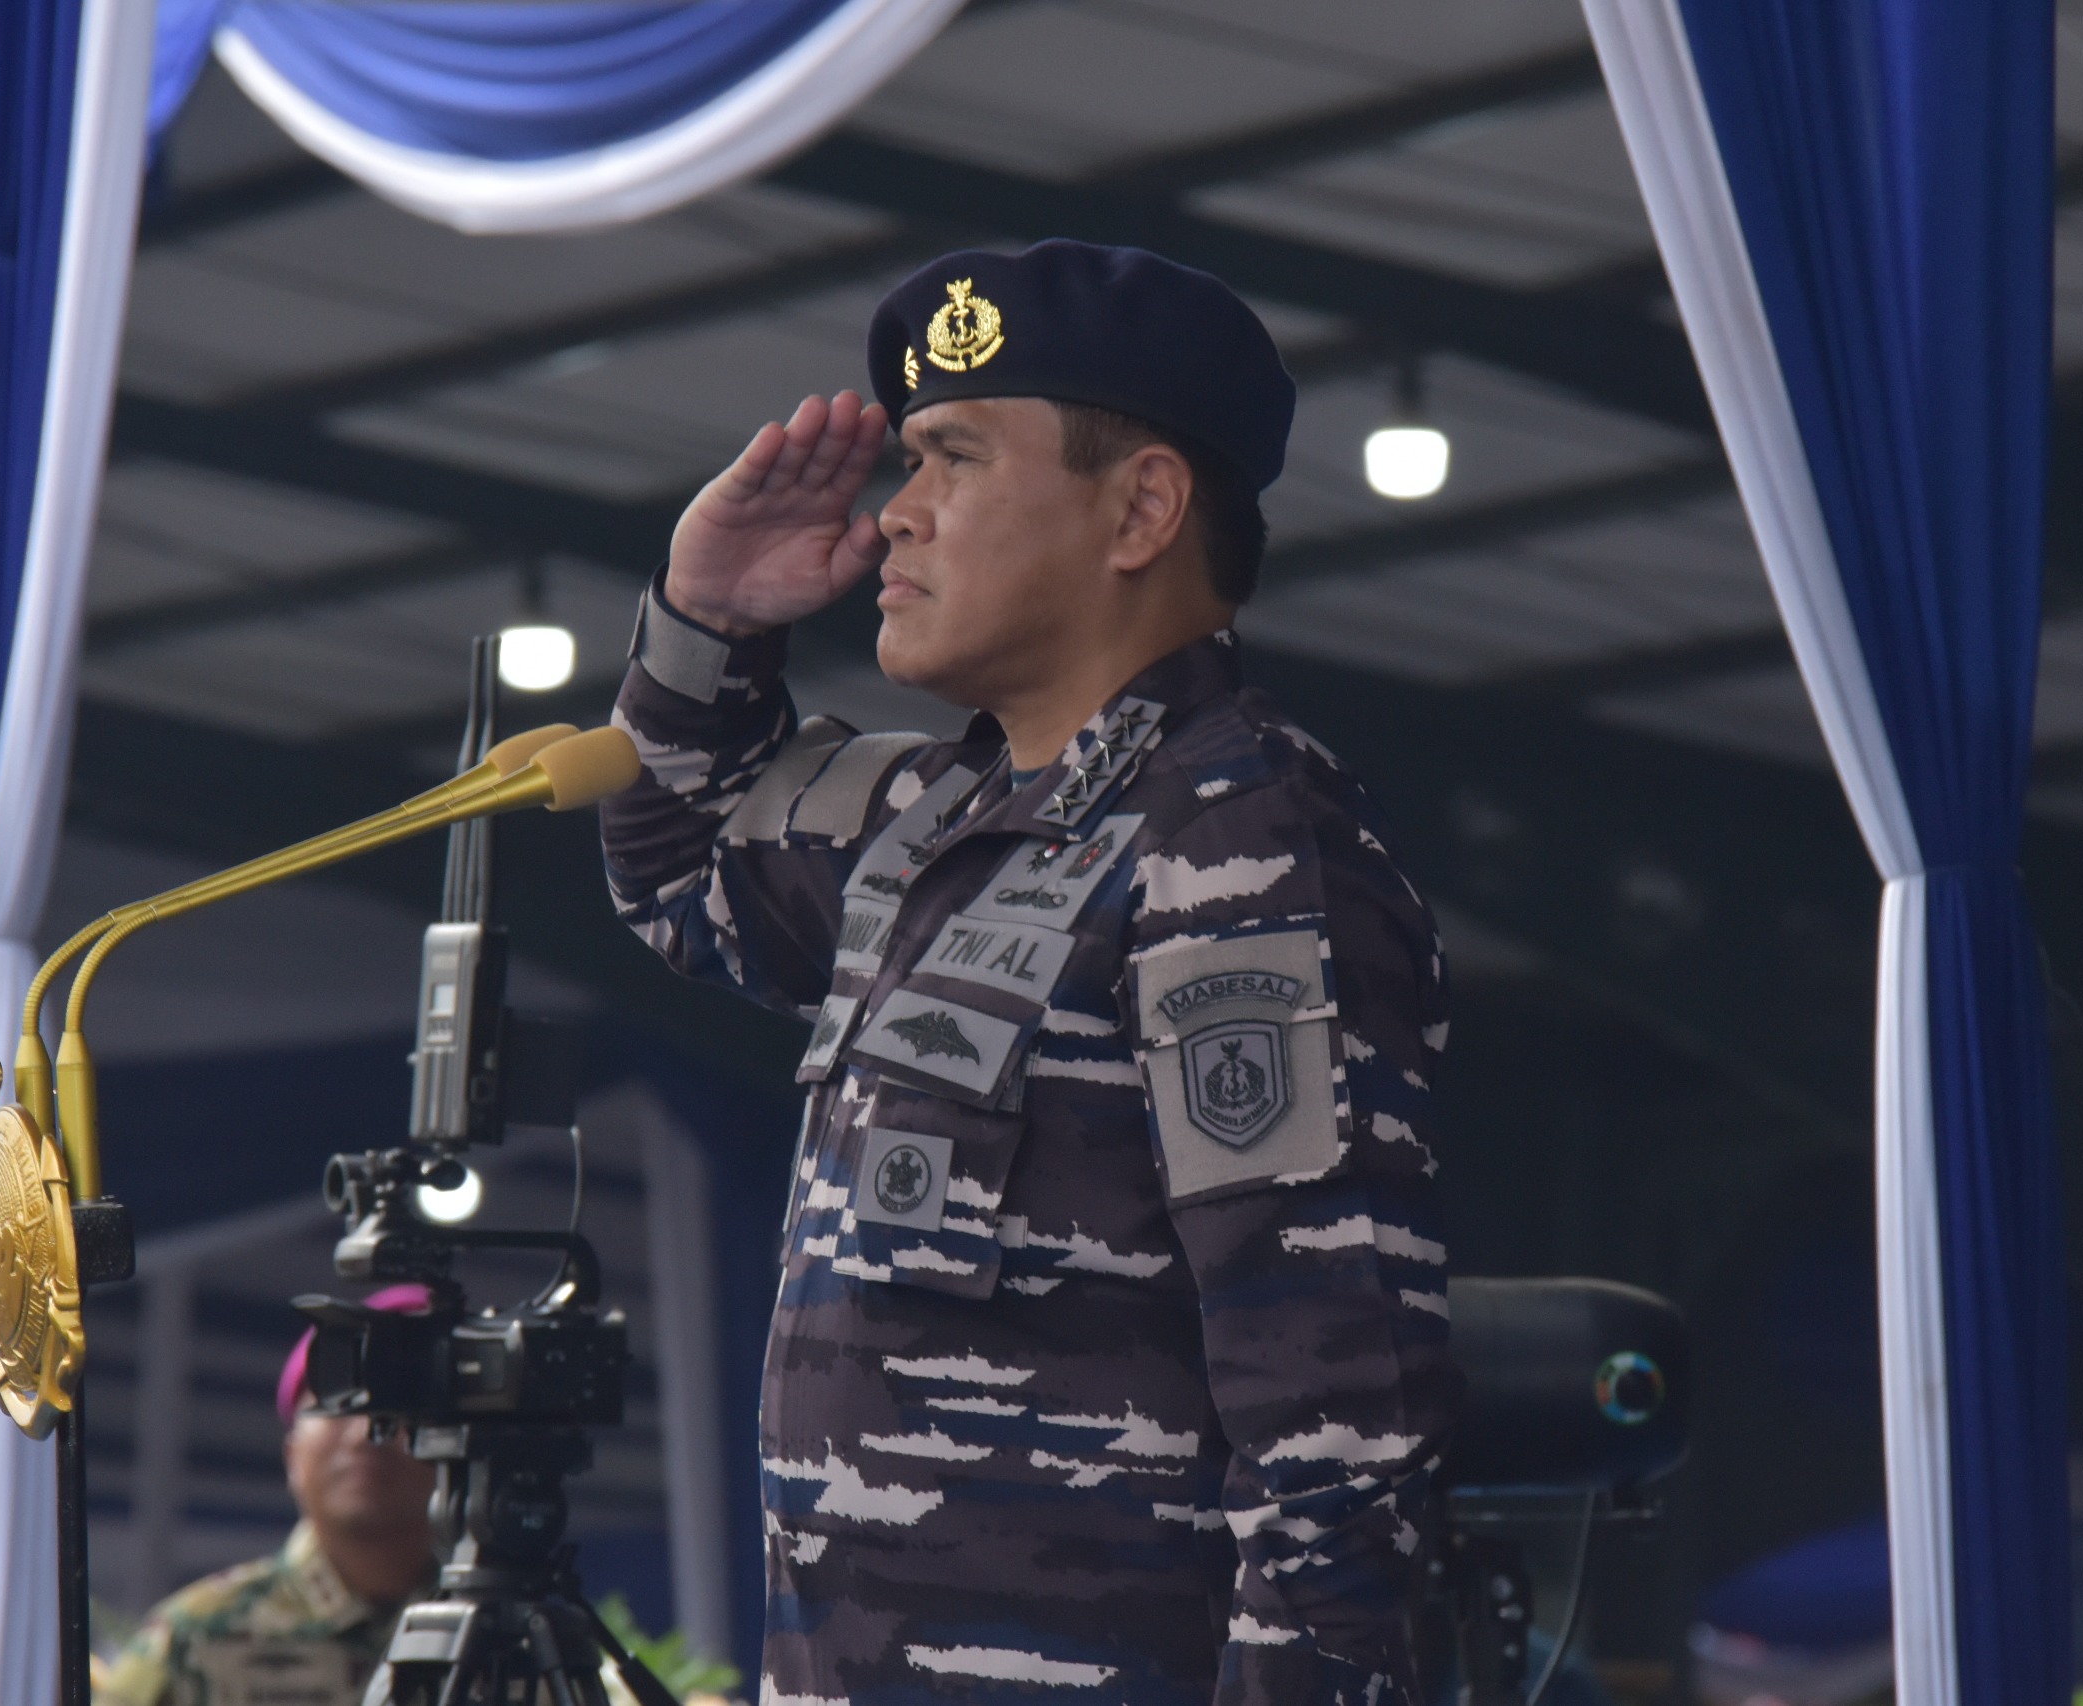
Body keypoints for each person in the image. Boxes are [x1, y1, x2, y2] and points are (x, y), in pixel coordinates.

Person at [600, 240, 1460, 1705]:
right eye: (910, 463)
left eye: (956, 458)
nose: (899, 512)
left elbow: (1337, 1429)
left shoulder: (1239, 839)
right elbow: (680, 869)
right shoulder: (934, 815)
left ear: (1142, 509)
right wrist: (712, 617)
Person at [95, 1286, 440, 1706]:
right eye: (338, 1405)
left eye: (396, 1411)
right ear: (293, 1457)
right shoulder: (197, 1639)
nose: (365, 1434)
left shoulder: (493, 1631)